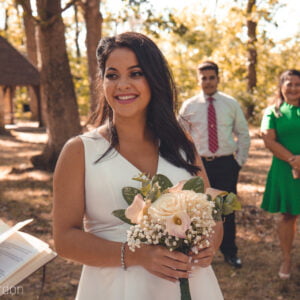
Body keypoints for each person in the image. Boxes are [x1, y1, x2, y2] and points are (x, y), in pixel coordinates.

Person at [53, 32, 224, 300]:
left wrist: (209, 244)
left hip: (189, 285)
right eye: (112, 75)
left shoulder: (182, 145)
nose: (123, 84)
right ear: (102, 81)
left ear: (154, 79)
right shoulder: (79, 151)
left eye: (135, 73)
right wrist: (137, 255)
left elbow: (212, 214)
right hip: (114, 288)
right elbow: (64, 239)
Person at [179, 61, 250, 269]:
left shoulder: (231, 104)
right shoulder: (190, 106)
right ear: (198, 79)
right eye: (204, 78)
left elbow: (243, 134)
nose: (208, 82)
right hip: (199, 166)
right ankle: (197, 251)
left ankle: (230, 252)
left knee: (227, 210)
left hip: (227, 163)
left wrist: (238, 162)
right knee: (198, 210)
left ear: (218, 78)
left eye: (211, 77)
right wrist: (186, 164)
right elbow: (179, 136)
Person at [260, 69, 300, 280]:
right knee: (288, 215)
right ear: (281, 86)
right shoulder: (272, 111)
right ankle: (286, 258)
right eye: (289, 84)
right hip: (285, 170)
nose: (293, 88)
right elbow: (268, 140)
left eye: (297, 84)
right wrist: (294, 160)